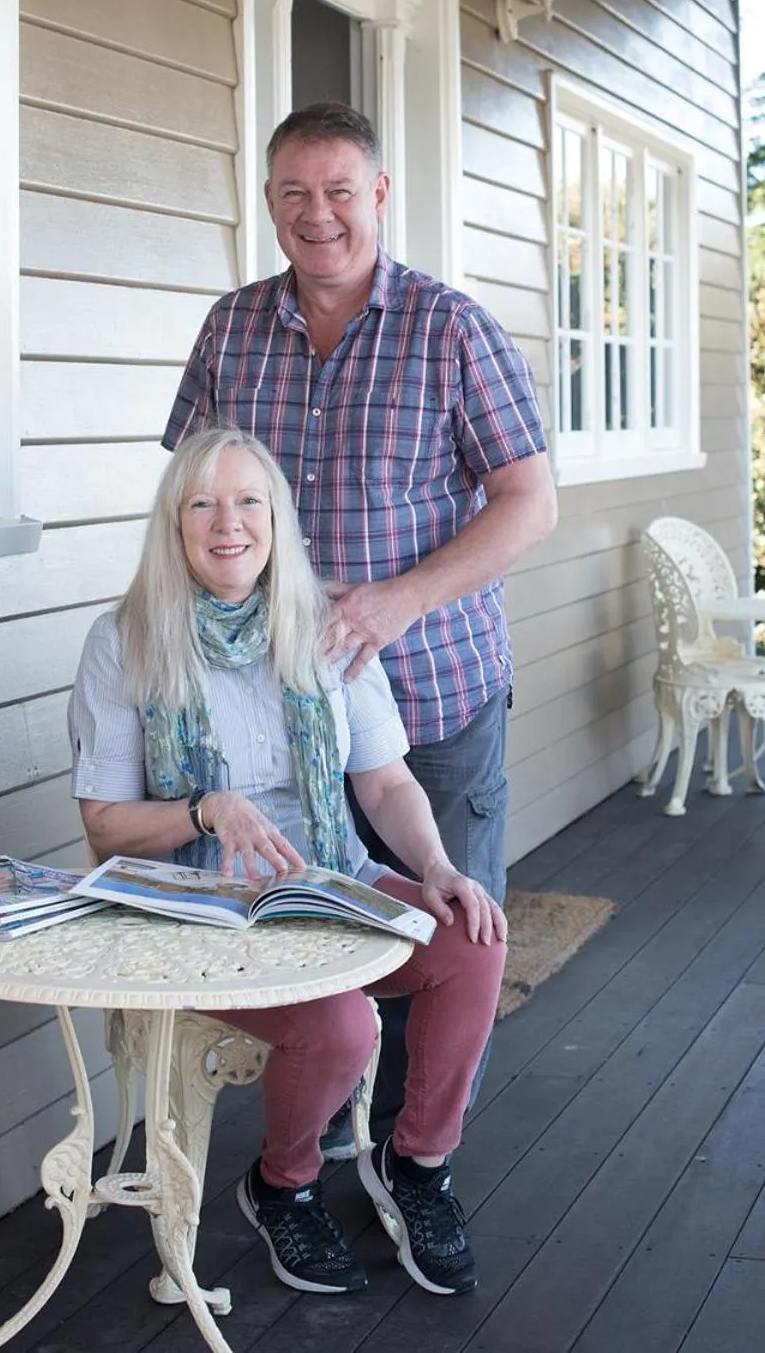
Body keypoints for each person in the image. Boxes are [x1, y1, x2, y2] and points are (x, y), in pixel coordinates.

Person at [162, 102, 558, 1137]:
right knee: (320, 950)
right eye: (294, 193)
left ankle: (415, 1166)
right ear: (268, 203)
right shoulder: (231, 327)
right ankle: (315, 1166)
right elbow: (193, 492)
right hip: (275, 706)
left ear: (379, 195)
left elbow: (530, 500)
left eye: (339, 190)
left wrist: (396, 600)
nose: (317, 213)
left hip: (431, 693)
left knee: (442, 940)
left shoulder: (449, 327)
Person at [69, 425, 507, 1298]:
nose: (226, 522)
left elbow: (382, 784)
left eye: (247, 501)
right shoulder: (126, 642)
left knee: (471, 937)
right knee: (342, 1022)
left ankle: (419, 1164)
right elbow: (107, 825)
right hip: (198, 903)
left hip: (325, 882)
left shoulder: (325, 627)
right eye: (202, 502)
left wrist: (434, 866)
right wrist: (204, 808)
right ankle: (284, 1182)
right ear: (175, 522)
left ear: (277, 518)